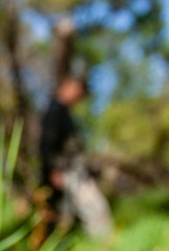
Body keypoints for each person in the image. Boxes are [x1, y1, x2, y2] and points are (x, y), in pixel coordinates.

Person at [36, 77, 112, 240]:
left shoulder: (63, 113)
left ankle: (100, 244)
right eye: (76, 90)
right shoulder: (55, 111)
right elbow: (46, 143)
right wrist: (53, 169)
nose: (78, 96)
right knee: (88, 209)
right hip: (65, 171)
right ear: (65, 87)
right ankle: (103, 244)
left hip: (73, 170)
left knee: (68, 214)